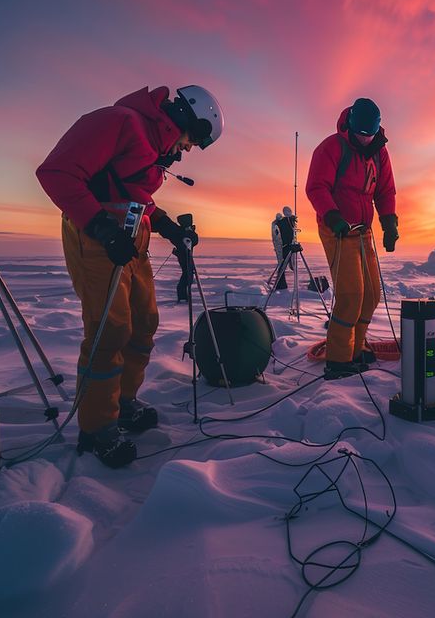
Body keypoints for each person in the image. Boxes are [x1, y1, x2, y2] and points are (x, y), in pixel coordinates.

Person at [36, 85, 224, 467]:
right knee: (110, 330)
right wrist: (102, 228)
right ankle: (97, 426)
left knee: (143, 323)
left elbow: (134, 193)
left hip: (130, 238)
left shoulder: (152, 144)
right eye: (193, 140)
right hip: (98, 238)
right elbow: (56, 173)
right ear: (188, 117)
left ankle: (123, 403)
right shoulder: (117, 122)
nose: (188, 149)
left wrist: (168, 227)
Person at [306, 97, 398, 379]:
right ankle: (338, 359)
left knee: (371, 294)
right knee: (350, 295)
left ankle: (356, 350)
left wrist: (389, 222)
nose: (365, 139)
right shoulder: (331, 147)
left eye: (369, 134)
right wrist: (333, 216)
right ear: (350, 126)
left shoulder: (379, 154)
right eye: (360, 134)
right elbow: (316, 187)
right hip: (337, 228)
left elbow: (385, 191)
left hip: (363, 229)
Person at [270, 206, 297, 290]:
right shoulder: (283, 222)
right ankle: (280, 284)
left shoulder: (285, 222)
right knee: (282, 264)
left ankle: (281, 284)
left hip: (287, 246)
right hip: (286, 246)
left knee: (283, 264)